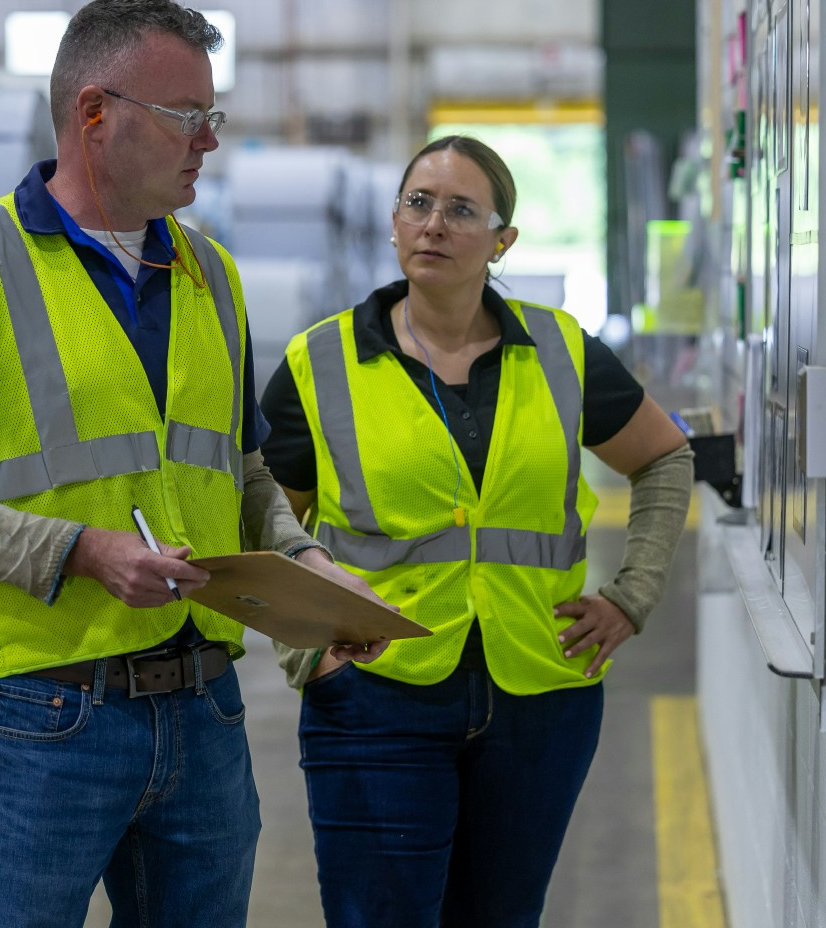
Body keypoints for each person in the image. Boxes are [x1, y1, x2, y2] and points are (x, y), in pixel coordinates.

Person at [0, 0, 391, 928]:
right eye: (189, 118)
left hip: (205, 714)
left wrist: (308, 572)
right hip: (44, 722)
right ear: (95, 115)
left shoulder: (208, 273)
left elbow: (242, 471)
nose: (209, 143)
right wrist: (79, 551)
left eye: (212, 118)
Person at [260, 134, 695, 928]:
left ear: (502, 241)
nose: (434, 224)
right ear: (394, 223)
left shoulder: (562, 351)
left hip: (540, 697)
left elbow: (665, 457)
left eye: (461, 210)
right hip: (374, 696)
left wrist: (634, 594)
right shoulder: (317, 362)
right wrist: (304, 652)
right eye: (418, 204)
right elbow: (265, 516)